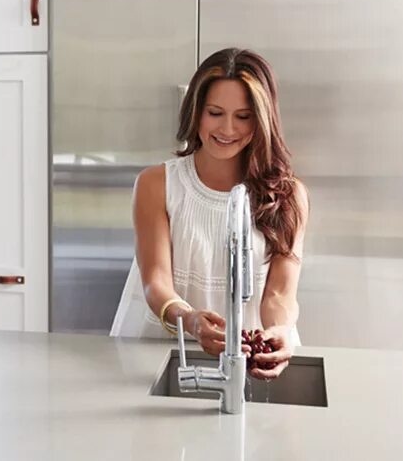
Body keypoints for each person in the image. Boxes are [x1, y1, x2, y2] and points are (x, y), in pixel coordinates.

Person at [110, 48, 308, 380]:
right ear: (195, 111)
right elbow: (156, 282)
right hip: (162, 355)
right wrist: (189, 319)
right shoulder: (156, 184)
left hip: (250, 357)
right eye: (215, 112)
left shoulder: (289, 196)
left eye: (243, 116)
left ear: (263, 119)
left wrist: (280, 328)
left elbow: (279, 294)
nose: (227, 129)